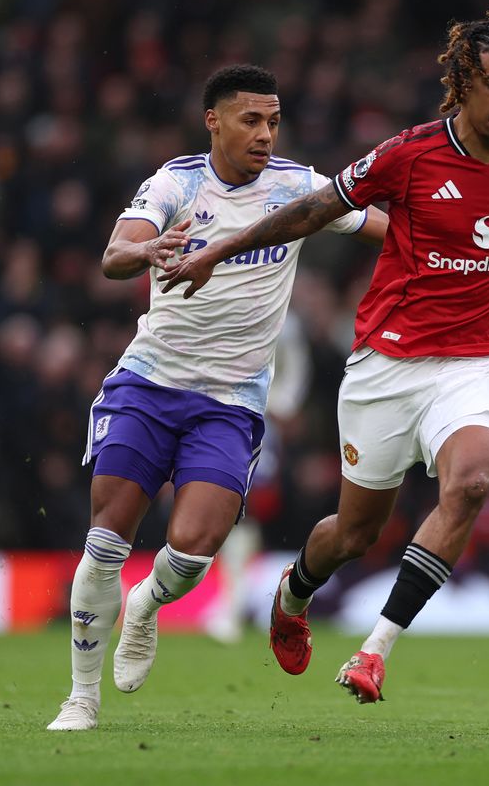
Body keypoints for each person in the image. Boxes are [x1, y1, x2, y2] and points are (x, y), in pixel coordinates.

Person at [162, 12, 489, 703]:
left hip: (476, 359)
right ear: (463, 83)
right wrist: (221, 249)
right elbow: (315, 210)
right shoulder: (408, 154)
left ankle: (375, 651)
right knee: (353, 534)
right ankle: (293, 594)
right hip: (387, 363)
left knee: (470, 483)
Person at [47, 65, 386, 730]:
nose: (264, 134)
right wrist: (149, 251)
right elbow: (114, 254)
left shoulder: (297, 187)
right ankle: (81, 698)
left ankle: (146, 605)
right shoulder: (176, 183)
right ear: (214, 121)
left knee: (194, 550)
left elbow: (381, 225)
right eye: (250, 120)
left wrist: (457, 237)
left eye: (273, 122)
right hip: (149, 384)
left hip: (230, 401)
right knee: (106, 542)